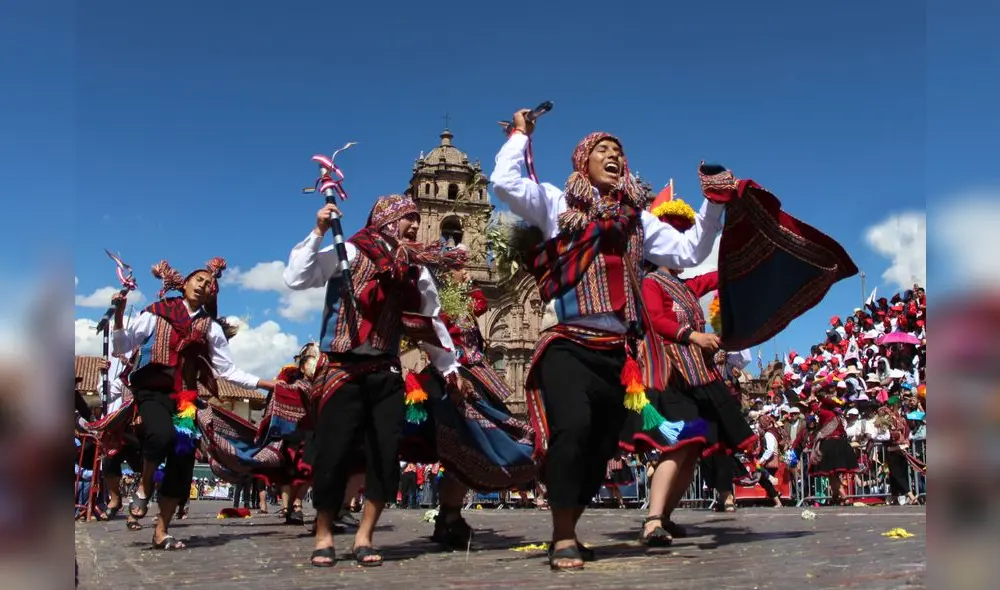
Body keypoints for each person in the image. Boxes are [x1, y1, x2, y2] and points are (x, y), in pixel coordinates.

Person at [489, 109, 722, 570]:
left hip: (618, 354)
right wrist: (520, 135)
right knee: (572, 429)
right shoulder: (557, 205)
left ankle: (569, 525)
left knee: (600, 448)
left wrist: (713, 202)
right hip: (567, 342)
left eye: (619, 152)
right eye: (603, 151)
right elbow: (504, 184)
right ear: (583, 163)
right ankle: (562, 537)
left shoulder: (638, 221)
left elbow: (691, 250)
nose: (614, 156)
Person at [283, 194, 473, 567]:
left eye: (418, 219)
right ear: (386, 220)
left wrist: (450, 368)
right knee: (333, 455)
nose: (416, 226)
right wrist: (320, 230)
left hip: (386, 371)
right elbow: (297, 277)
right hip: (343, 368)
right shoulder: (350, 252)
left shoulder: (415, 270)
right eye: (407, 218)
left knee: (386, 455)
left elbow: (430, 321)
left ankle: (365, 536)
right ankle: (323, 532)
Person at [110, 257, 274, 550]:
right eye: (199, 279)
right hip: (151, 391)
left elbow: (227, 371)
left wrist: (266, 383)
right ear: (184, 284)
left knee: (183, 458)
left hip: (185, 399)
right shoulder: (156, 312)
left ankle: (162, 530)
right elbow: (122, 346)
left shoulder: (210, 328)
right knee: (160, 436)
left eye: (210, 284)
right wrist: (120, 316)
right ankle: (146, 482)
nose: (204, 285)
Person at [402, 266, 536, 548]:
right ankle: (449, 516)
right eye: (460, 268)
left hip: (476, 375)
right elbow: (435, 339)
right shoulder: (440, 306)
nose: (466, 271)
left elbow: (480, 303)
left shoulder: (463, 301)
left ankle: (449, 516)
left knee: (466, 451)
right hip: (457, 377)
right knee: (463, 447)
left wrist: (462, 291)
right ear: (448, 274)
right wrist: (455, 376)